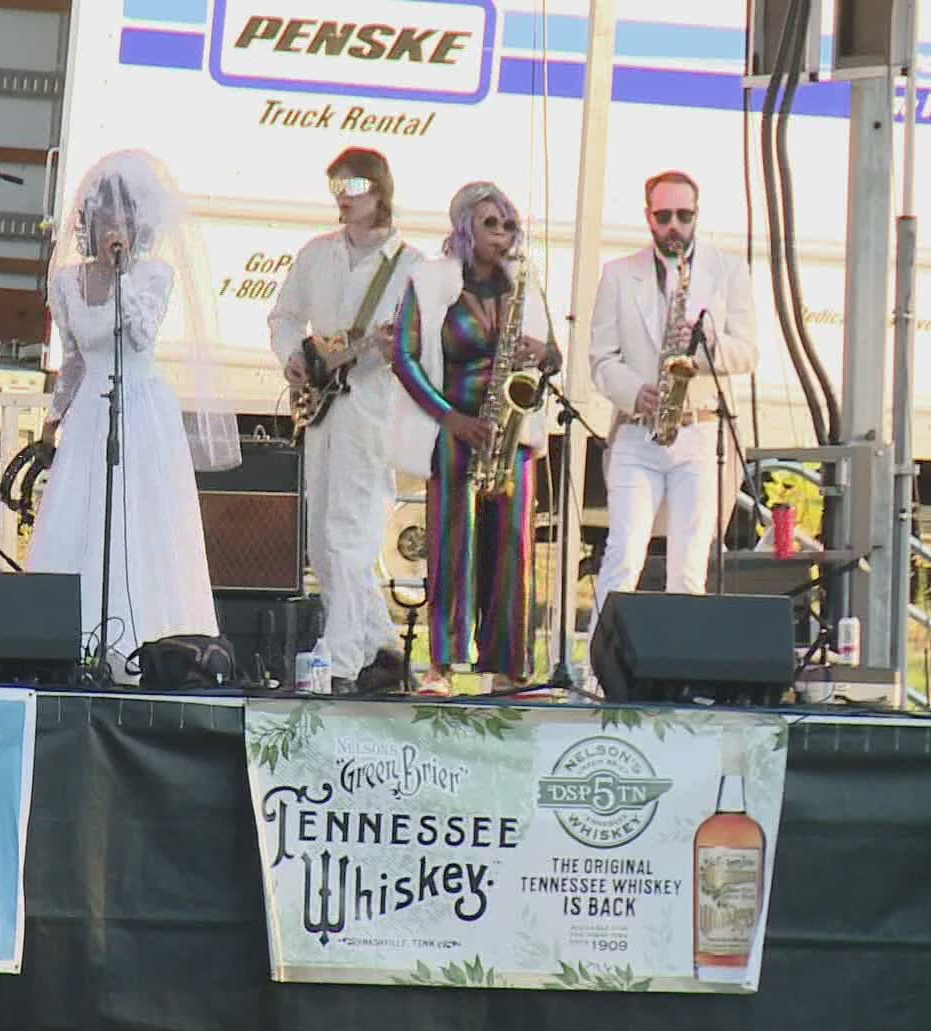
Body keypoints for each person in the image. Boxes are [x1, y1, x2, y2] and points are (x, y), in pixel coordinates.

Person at [28, 149, 240, 675]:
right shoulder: (67, 282)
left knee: (140, 521)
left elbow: (142, 334)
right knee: (83, 519)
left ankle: (147, 642)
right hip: (90, 414)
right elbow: (75, 360)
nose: (110, 229)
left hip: (141, 410)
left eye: (120, 220)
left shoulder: (153, 276)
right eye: (103, 220)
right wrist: (52, 423)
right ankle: (76, 643)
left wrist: (122, 275)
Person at [390, 182, 562, 694]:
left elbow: (554, 357)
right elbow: (405, 356)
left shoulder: (524, 283)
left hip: (510, 433)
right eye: (491, 224)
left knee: (513, 549)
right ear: (465, 227)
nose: (503, 234)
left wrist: (544, 354)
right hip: (456, 428)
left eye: (509, 225)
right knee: (452, 545)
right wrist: (450, 419)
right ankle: (442, 665)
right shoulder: (431, 279)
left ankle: (509, 668)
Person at [266, 147, 424, 694]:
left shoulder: (411, 267)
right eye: (336, 184)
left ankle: (337, 655)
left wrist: (386, 347)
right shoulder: (317, 254)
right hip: (321, 407)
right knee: (319, 537)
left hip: (372, 408)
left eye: (353, 184)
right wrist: (292, 354)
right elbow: (284, 315)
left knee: (350, 532)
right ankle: (380, 644)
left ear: (379, 189)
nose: (342, 195)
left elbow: (421, 345)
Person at [589, 171, 758, 611]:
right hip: (637, 431)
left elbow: (748, 353)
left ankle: (682, 679)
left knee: (689, 570)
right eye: (664, 216)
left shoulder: (727, 271)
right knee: (623, 558)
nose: (674, 227)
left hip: (699, 431)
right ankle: (603, 673)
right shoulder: (619, 275)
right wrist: (633, 391)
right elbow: (601, 359)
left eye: (684, 216)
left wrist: (700, 353)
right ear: (648, 216)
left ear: (696, 215)